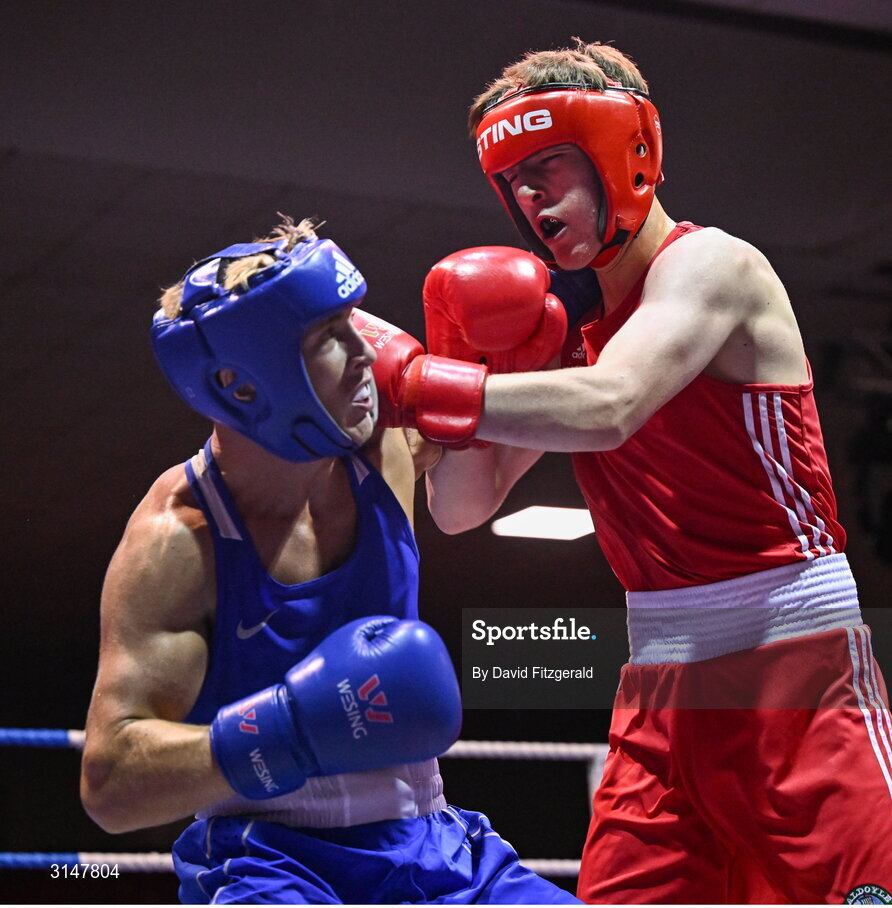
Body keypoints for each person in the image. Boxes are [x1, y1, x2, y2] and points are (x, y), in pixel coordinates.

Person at [378, 40, 892, 905]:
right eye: (513, 181)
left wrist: (421, 385)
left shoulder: (713, 266)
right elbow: (460, 508)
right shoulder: (562, 336)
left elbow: (612, 405)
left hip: (794, 671)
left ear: (624, 154)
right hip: (658, 692)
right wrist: (464, 359)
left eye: (550, 165)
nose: (530, 197)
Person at [79, 217, 579, 905]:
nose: (368, 353)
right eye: (330, 338)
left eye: (352, 323)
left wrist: (534, 359)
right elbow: (110, 784)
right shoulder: (182, 542)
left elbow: (481, 480)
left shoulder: (387, 448)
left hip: (436, 844)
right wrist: (288, 728)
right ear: (244, 385)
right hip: (272, 860)